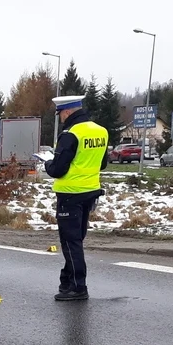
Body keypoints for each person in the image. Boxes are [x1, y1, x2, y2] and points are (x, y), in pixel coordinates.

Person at [43, 95, 110, 301]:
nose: (61, 118)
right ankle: (67, 280)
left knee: (71, 241)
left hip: (70, 194)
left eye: (61, 114)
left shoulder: (70, 134)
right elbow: (103, 163)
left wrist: (46, 163)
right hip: (90, 192)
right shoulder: (101, 131)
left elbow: (57, 169)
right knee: (76, 240)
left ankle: (78, 287)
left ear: (67, 112)